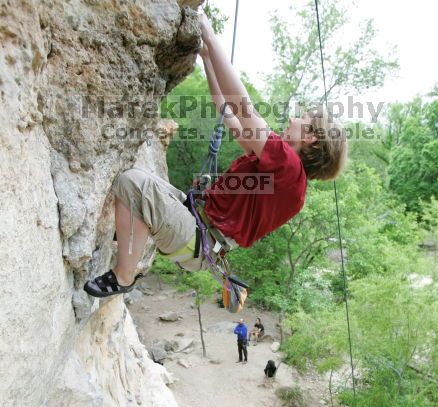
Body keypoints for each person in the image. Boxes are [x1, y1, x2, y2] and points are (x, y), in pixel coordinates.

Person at [84, 12, 347, 298]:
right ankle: (130, 233)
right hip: (198, 231)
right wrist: (207, 57)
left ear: (310, 137)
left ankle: (123, 277)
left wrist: (209, 35)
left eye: (302, 118)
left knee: (133, 182)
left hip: (197, 237)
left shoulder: (290, 169)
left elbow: (244, 106)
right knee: (142, 180)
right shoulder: (282, 174)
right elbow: (227, 110)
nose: (293, 119)